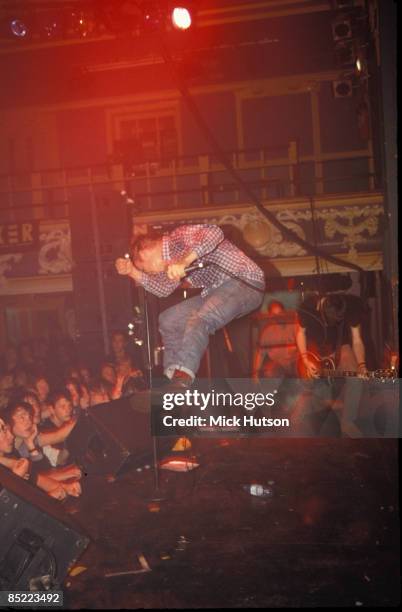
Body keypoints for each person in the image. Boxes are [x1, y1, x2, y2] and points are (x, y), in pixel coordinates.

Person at [115, 224, 265, 387]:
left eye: (145, 269)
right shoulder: (169, 265)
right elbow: (163, 289)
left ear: (144, 253)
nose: (150, 274)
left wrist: (185, 261)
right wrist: (132, 272)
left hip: (245, 281)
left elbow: (215, 233)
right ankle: (171, 377)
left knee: (201, 319)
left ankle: (183, 376)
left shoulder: (178, 238)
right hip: (217, 291)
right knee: (169, 319)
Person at [296, 292, 368, 378]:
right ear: (321, 308)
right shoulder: (307, 308)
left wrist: (361, 365)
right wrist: (305, 360)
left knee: (354, 378)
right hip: (314, 350)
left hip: (340, 347)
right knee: (319, 387)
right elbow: (300, 333)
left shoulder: (352, 306)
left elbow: (357, 340)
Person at [252, 300, 298, 380]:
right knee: (269, 372)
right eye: (274, 314)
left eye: (280, 313)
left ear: (284, 312)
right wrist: (255, 374)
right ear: (270, 316)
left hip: (295, 362)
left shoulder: (294, 326)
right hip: (278, 365)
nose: (278, 317)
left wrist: (296, 349)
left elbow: (305, 346)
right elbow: (260, 354)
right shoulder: (267, 332)